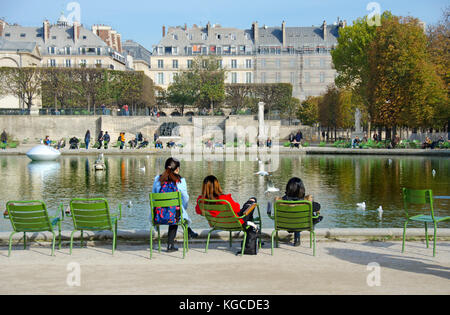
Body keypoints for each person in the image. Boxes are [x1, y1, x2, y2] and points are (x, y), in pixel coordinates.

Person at [151, 158, 198, 252]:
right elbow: (185, 198)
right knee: (176, 213)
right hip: (174, 215)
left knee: (174, 212)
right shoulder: (181, 181)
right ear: (177, 169)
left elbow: (154, 196)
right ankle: (171, 244)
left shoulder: (157, 179)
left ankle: (187, 232)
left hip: (158, 215)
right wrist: (182, 208)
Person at [275, 177, 323, 246]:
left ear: (288, 188)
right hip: (302, 225)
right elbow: (318, 206)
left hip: (284, 225)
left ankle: (297, 238)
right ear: (302, 189)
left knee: (295, 216)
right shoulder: (307, 203)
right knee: (309, 213)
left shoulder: (280, 202)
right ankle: (314, 220)